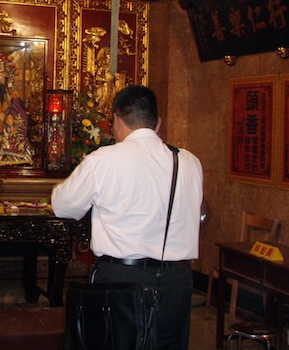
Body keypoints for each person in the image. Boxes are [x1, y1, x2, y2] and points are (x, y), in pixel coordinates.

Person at [51, 85, 203, 350]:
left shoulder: (105, 159)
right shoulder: (189, 161)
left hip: (121, 279)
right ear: (158, 123)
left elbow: (64, 206)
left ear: (116, 120)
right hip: (176, 281)